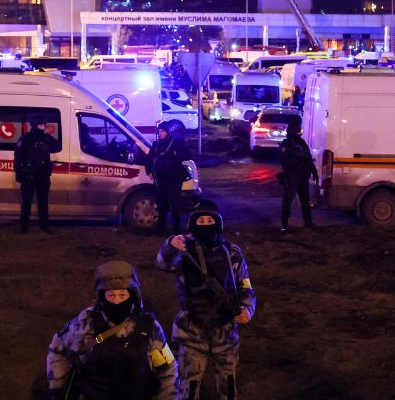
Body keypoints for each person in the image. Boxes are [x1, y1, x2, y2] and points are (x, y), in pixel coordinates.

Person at [156, 200, 256, 399]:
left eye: (210, 220)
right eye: (200, 220)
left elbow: (245, 287)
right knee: (188, 388)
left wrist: (247, 309)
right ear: (193, 225)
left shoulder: (231, 253)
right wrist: (170, 244)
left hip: (226, 333)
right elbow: (162, 262)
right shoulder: (183, 252)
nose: (205, 224)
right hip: (192, 333)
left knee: (227, 387)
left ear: (218, 223)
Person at [47, 261, 177, 399]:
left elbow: (167, 372)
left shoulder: (149, 327)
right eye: (111, 295)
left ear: (132, 295)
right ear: (102, 296)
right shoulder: (85, 324)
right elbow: (57, 350)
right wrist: (58, 387)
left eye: (122, 295)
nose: (117, 301)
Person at [14, 115, 59, 233]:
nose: (43, 127)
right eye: (40, 125)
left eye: (44, 125)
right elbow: (17, 157)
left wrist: (47, 139)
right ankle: (24, 226)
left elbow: (57, 146)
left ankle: (44, 225)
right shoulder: (25, 138)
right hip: (28, 175)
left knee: (43, 201)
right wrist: (18, 174)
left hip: (43, 175)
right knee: (26, 202)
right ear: (34, 125)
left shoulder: (46, 138)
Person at [147, 121, 192, 233]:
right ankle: (161, 227)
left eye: (163, 131)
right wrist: (149, 171)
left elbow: (188, 155)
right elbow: (148, 159)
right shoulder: (156, 144)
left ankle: (177, 229)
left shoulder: (177, 143)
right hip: (161, 178)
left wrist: (177, 154)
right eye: (159, 131)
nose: (160, 133)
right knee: (161, 204)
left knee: (175, 204)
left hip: (174, 178)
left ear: (168, 132)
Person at [278, 116, 317, 232]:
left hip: (303, 175)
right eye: (296, 129)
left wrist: (314, 171)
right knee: (288, 200)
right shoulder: (286, 144)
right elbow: (284, 160)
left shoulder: (301, 142)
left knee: (305, 200)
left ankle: (308, 222)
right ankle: (284, 224)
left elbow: (308, 158)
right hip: (292, 175)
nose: (298, 131)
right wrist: (295, 162)